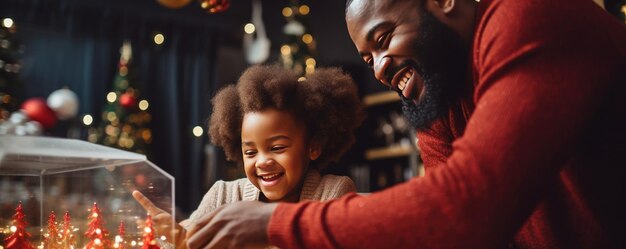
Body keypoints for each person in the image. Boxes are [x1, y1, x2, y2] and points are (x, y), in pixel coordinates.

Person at [185, 0, 626, 248]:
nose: (378, 68)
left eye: (383, 39)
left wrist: (274, 223)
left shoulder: (526, 16)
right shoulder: (442, 93)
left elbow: (463, 209)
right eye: (367, 57)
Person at [133, 64, 364, 248]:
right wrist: (179, 241)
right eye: (250, 152)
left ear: (313, 147)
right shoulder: (222, 195)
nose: (262, 161)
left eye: (277, 148)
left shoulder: (333, 192)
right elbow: (187, 239)